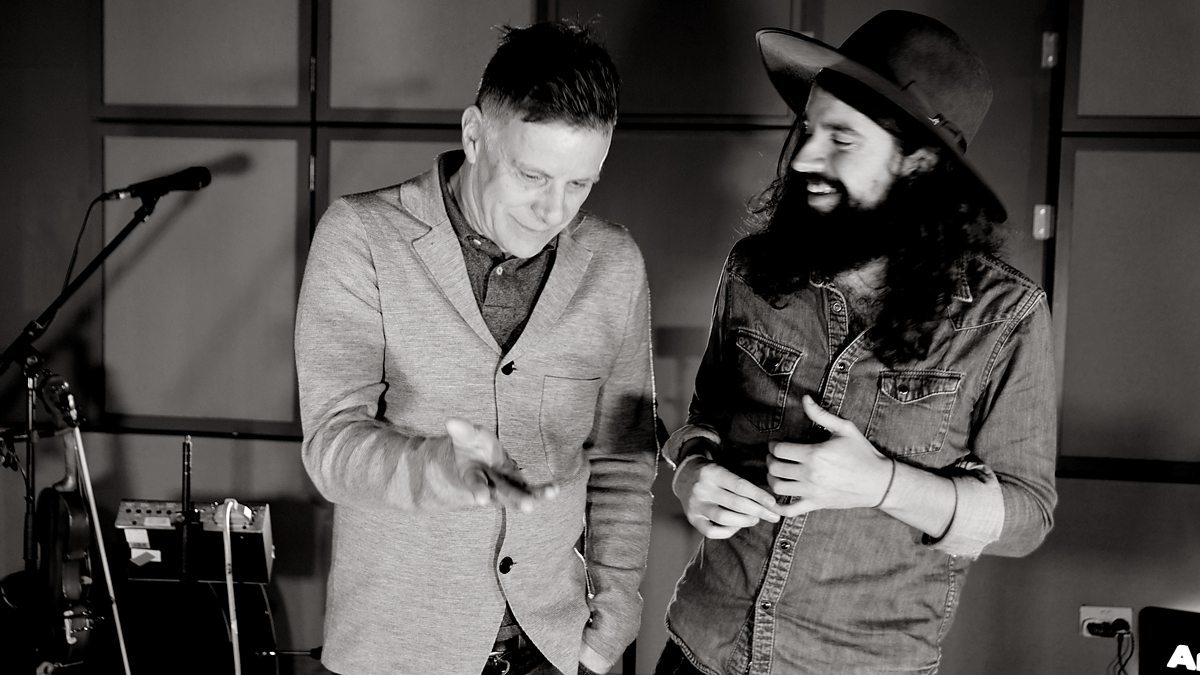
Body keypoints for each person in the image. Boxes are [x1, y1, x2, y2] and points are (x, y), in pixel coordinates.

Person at [656, 11, 1058, 674]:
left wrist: (881, 483)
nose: (805, 158)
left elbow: (1026, 515)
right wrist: (692, 471)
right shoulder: (754, 270)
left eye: (841, 138)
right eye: (809, 129)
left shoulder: (1004, 317)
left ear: (919, 161)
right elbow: (708, 416)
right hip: (701, 647)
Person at [295, 20, 658, 675]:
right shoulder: (362, 236)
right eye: (532, 175)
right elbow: (331, 446)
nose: (554, 210)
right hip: (396, 653)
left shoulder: (615, 264)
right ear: (473, 135)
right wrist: (440, 468)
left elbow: (626, 456)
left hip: (554, 650)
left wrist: (612, 623)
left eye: (580, 184)